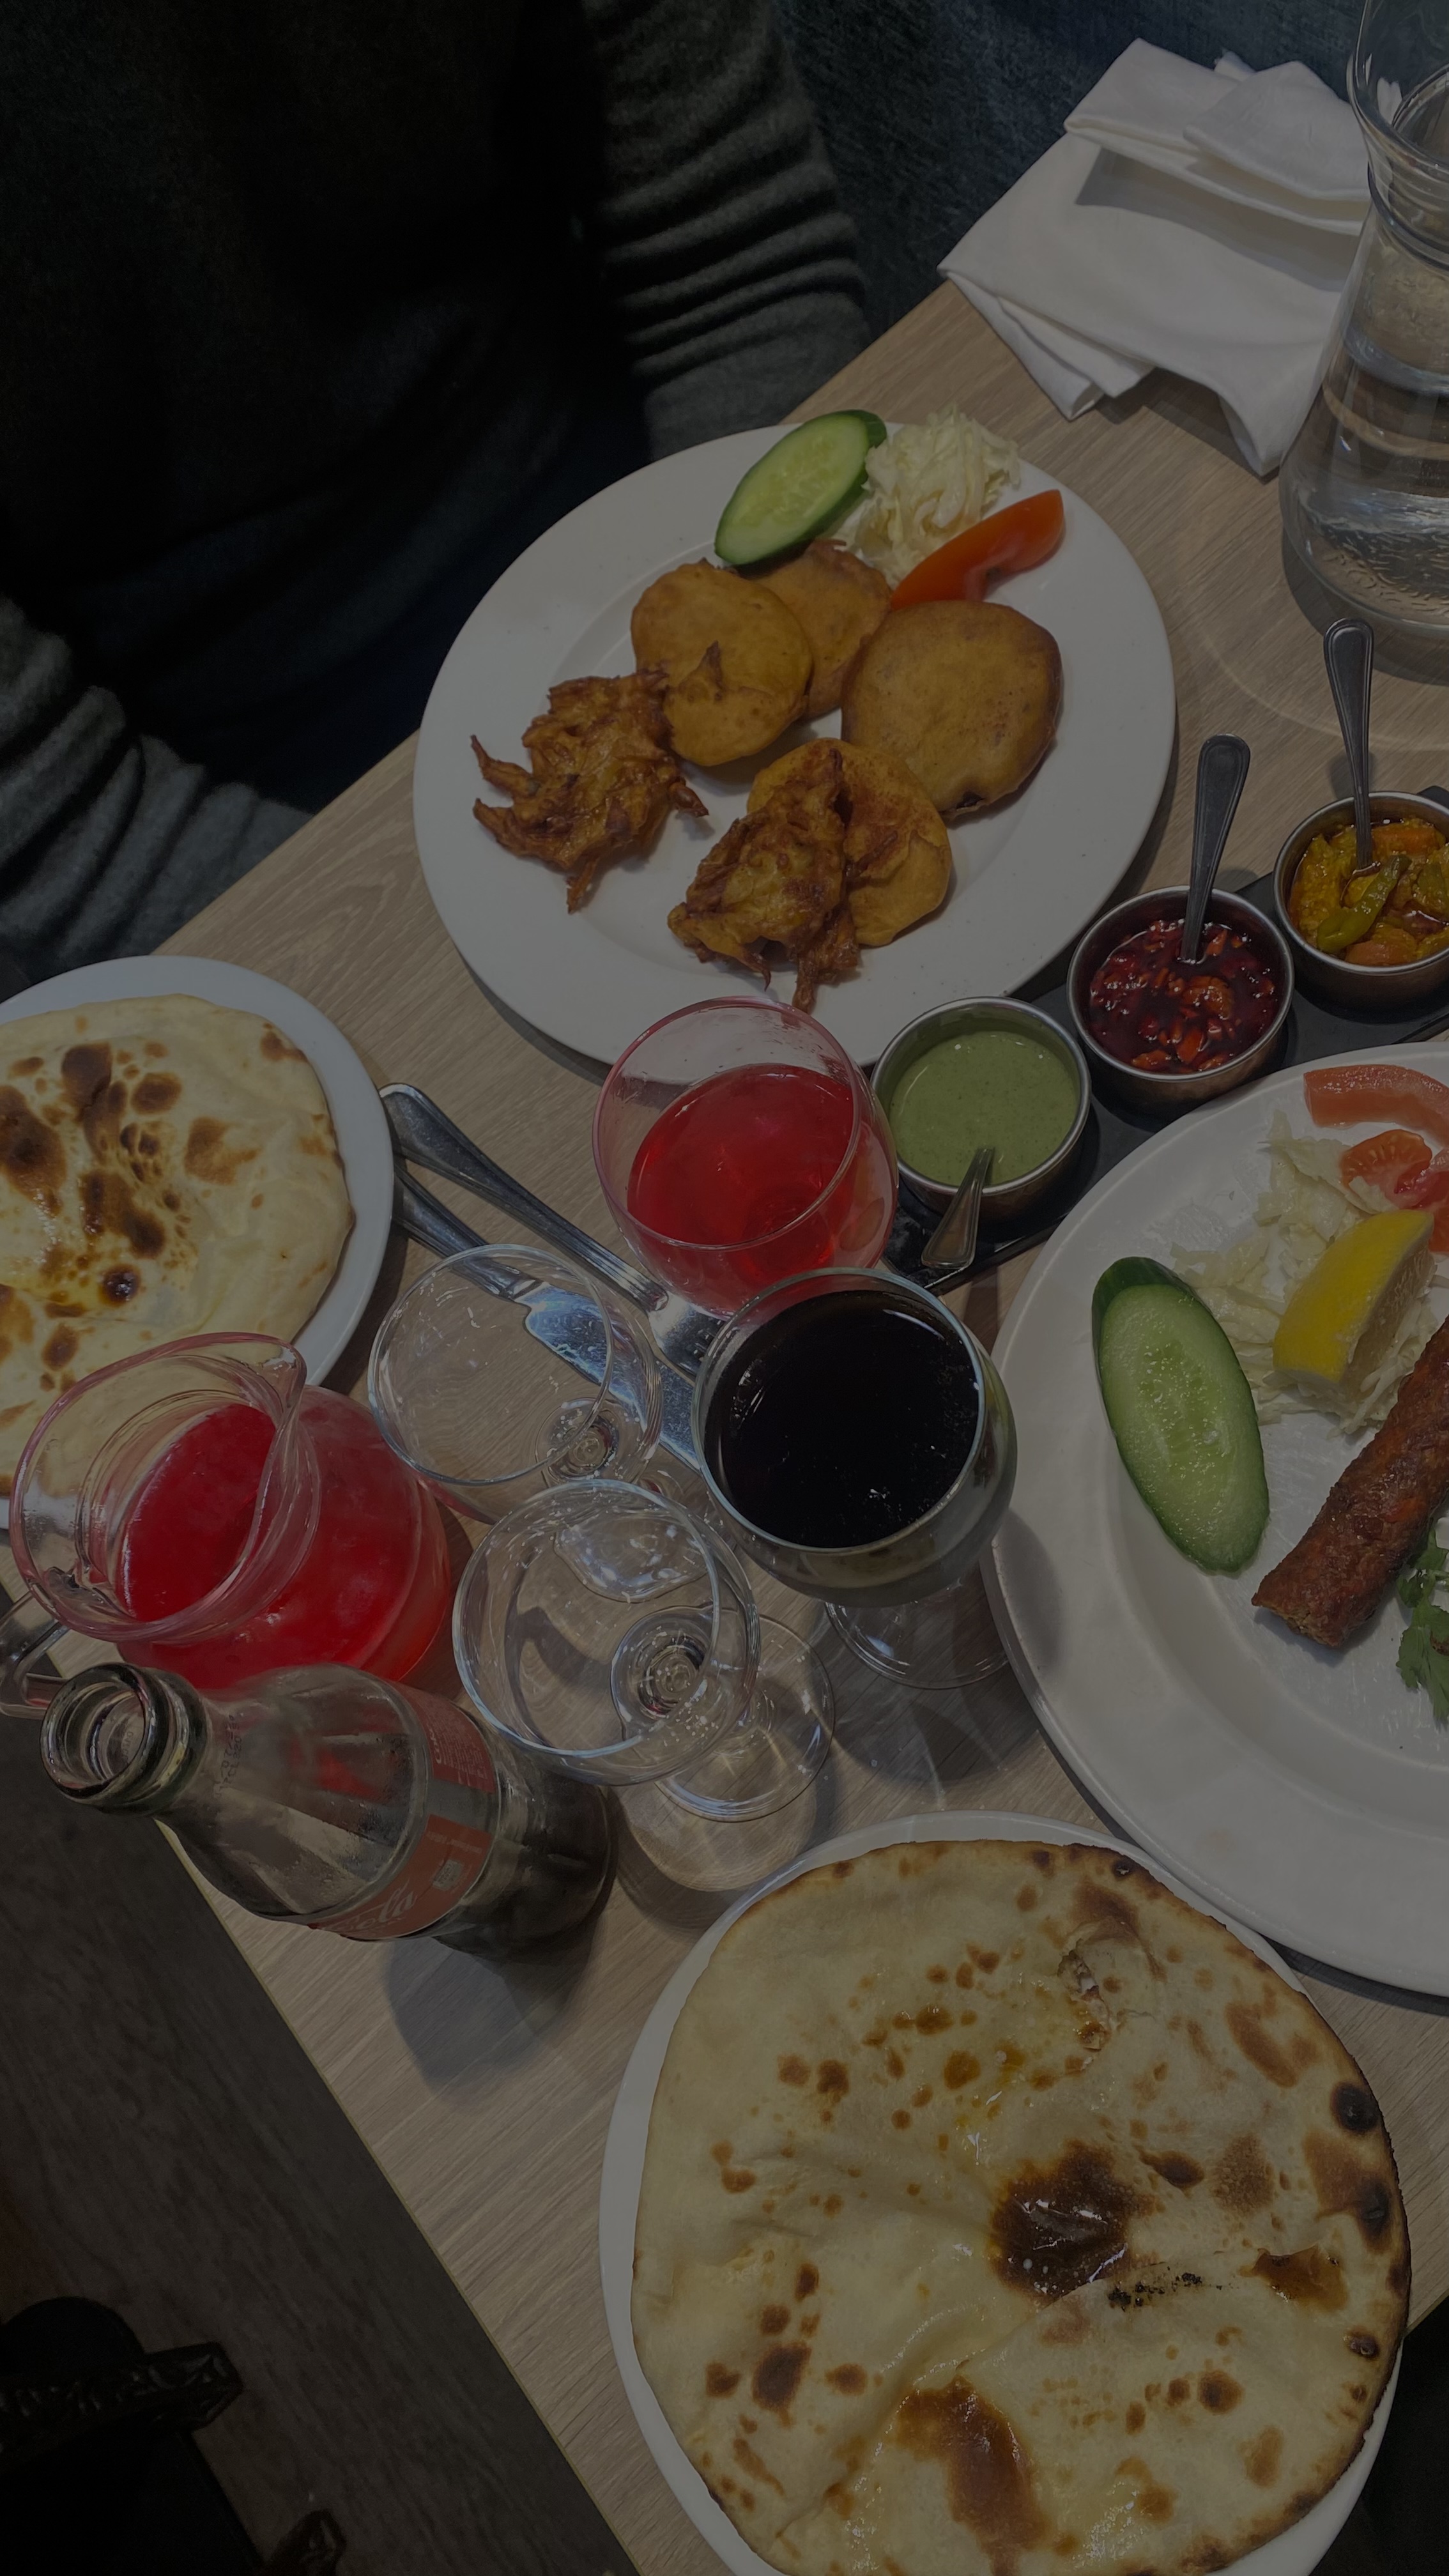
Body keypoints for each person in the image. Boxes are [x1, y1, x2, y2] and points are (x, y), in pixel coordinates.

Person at [0, 0, 866, 978]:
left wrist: (754, 592)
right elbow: (48, 824)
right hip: (210, 781)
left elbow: (740, 257)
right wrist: (427, 966)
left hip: (643, 522)